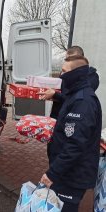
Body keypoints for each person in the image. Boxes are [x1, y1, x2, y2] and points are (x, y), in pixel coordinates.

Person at [40, 55, 102, 212]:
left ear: (76, 74)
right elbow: (68, 100)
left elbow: (75, 144)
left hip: (73, 175)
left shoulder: (83, 102)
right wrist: (55, 95)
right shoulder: (77, 93)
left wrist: (52, 173)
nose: (61, 75)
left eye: (64, 71)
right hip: (68, 171)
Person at [40, 46, 99, 119]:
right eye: (67, 59)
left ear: (80, 59)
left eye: (72, 59)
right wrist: (53, 95)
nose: (69, 61)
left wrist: (56, 95)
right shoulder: (66, 72)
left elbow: (78, 99)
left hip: (71, 117)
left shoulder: (91, 77)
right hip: (57, 114)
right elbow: (63, 92)